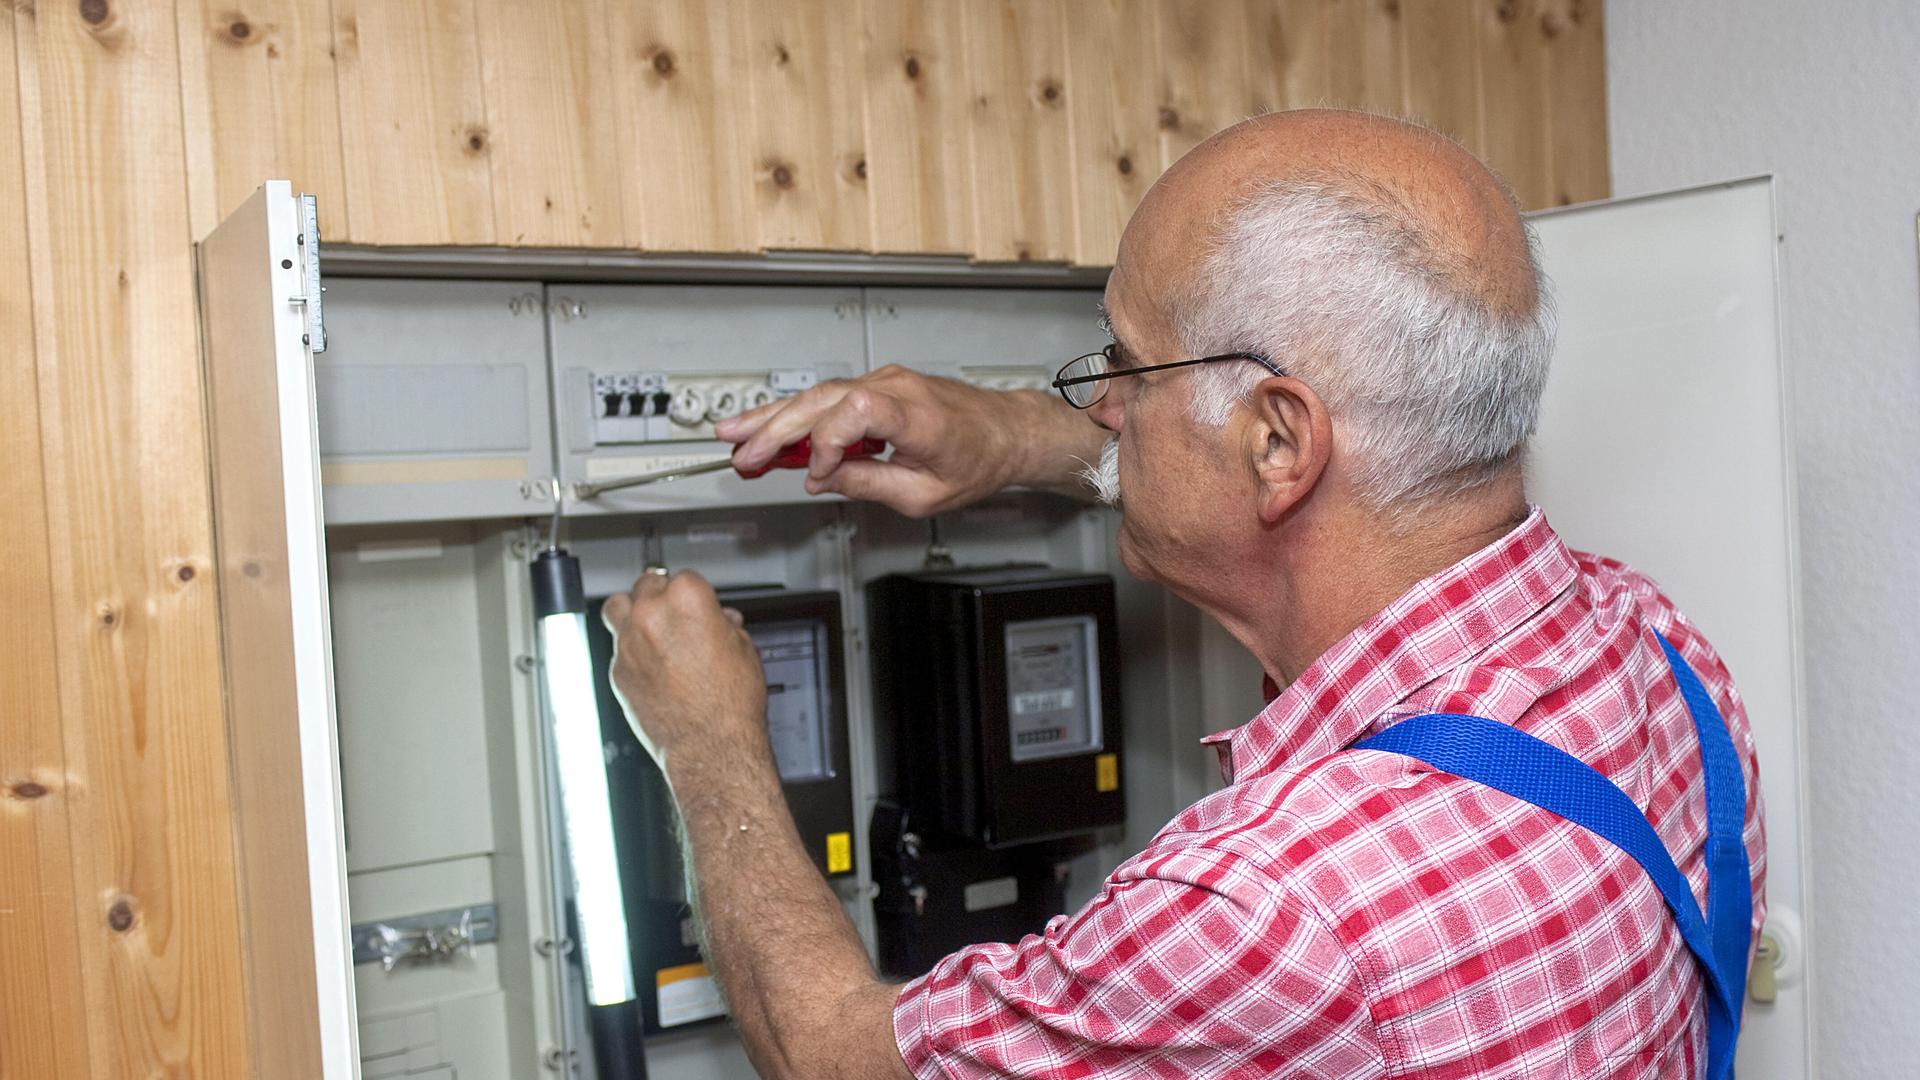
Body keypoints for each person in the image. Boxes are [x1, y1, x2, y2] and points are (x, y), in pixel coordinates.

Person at [599, 109, 1765, 1079]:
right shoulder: (1661, 660)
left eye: (1122, 362)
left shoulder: (1266, 910)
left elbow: (832, 1054)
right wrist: (1012, 437)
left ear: (1277, 440)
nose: (1102, 400)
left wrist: (706, 740)